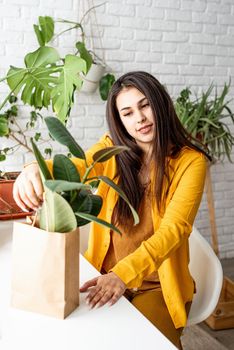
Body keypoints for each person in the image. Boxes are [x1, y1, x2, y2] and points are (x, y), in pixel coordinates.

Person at [13, 71, 209, 349]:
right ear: (119, 120)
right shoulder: (110, 151)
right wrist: (33, 169)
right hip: (101, 276)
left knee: (147, 344)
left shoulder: (191, 162)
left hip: (156, 286)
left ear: (161, 104)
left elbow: (174, 230)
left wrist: (122, 276)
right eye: (127, 113)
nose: (139, 118)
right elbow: (75, 167)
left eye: (145, 105)